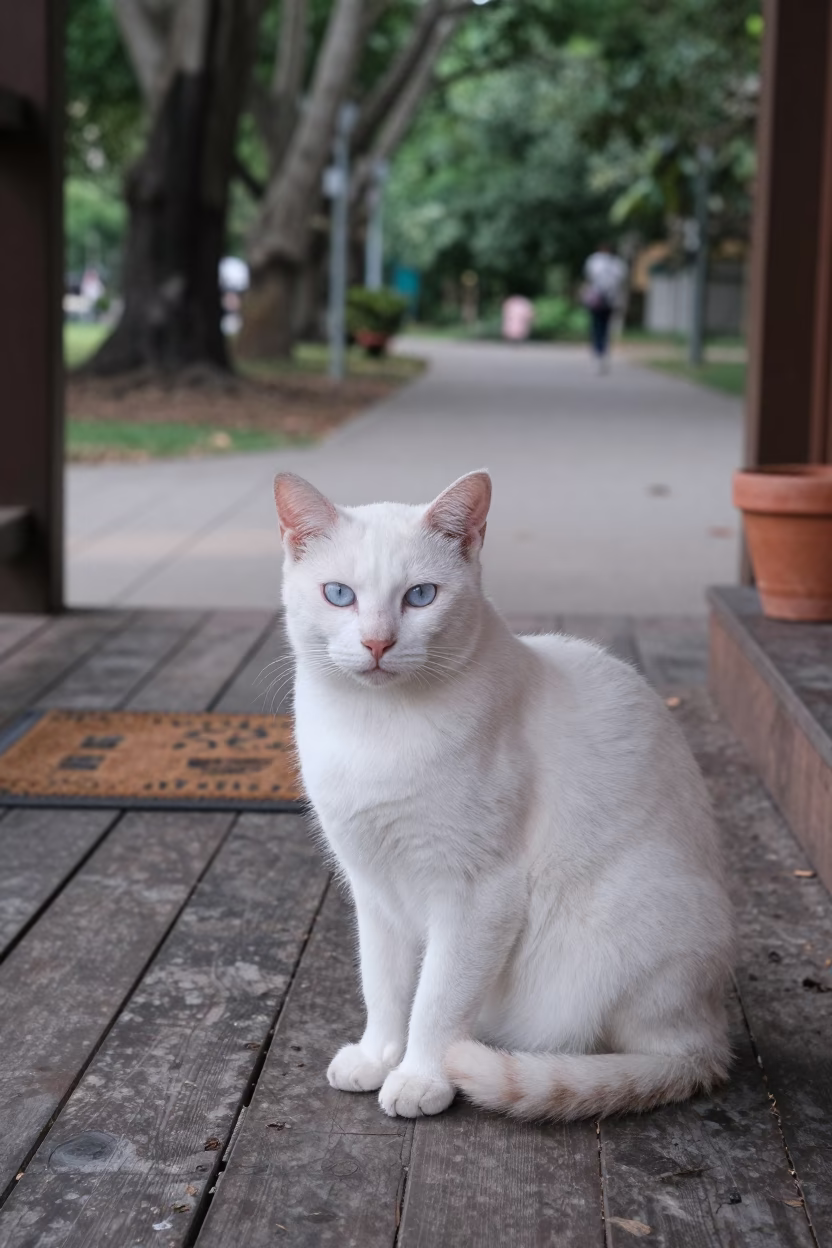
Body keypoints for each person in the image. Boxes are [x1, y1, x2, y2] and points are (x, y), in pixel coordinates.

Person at [582, 244, 627, 371]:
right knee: (605, 327)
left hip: (596, 299)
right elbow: (620, 281)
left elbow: (589, 277)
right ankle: (603, 352)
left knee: (596, 326)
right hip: (610, 300)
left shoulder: (593, 260)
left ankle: (598, 352)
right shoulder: (617, 263)